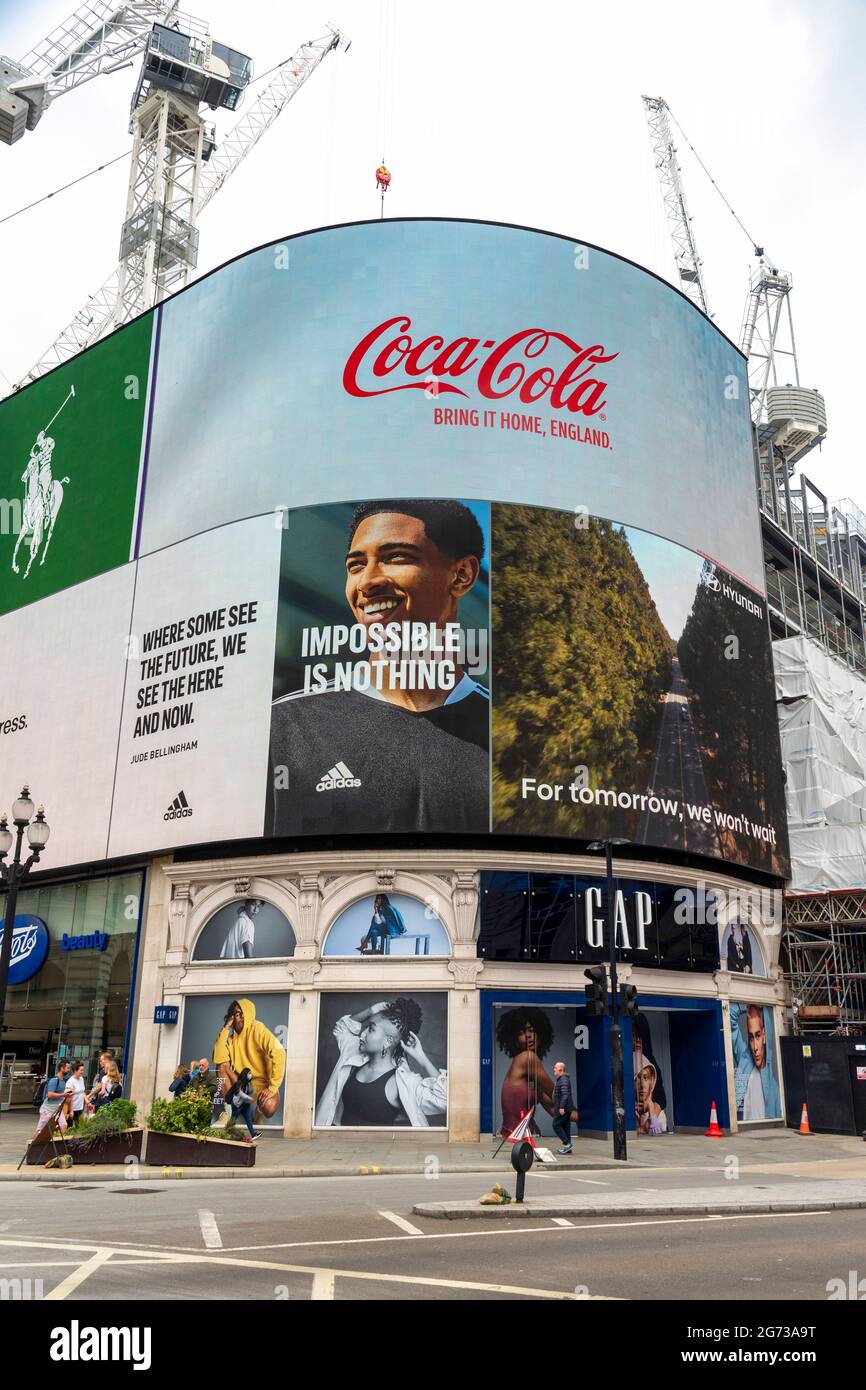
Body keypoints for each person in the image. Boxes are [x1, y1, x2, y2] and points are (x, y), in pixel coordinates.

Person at [267, 499, 490, 837]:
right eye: (355, 565)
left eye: (396, 557)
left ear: (461, 575)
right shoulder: (283, 727)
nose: (367, 582)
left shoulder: (512, 736)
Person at [315, 998, 447, 1127]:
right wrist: (371, 1010)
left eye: (371, 1029)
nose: (362, 1033)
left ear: (388, 1041)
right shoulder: (353, 1053)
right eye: (366, 1027)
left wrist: (422, 1058)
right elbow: (342, 1028)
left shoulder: (404, 1081)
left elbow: (445, 1098)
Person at [212, 1000, 285, 1122]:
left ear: (248, 1014)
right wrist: (225, 1029)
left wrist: (272, 1088)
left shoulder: (258, 1029)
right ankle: (228, 1110)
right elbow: (218, 1059)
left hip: (262, 1083)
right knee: (221, 1066)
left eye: (241, 1013)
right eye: (235, 1014)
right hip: (241, 1083)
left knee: (269, 1106)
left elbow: (279, 1052)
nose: (238, 1017)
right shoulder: (229, 1039)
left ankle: (258, 1113)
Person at [494, 1009, 556, 1137]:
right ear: (514, 1039)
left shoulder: (532, 1073)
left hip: (528, 1134)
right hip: (516, 1136)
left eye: (532, 1030)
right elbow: (557, 1094)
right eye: (522, 1033)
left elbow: (552, 1108)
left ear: (540, 1033)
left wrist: (577, 1117)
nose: (528, 1036)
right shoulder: (526, 1058)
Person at [732, 1002, 781, 1121]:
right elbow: (728, 1017)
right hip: (744, 1134)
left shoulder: (774, 1087)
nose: (755, 1047)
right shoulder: (744, 1060)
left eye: (758, 1036)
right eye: (751, 1037)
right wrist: (746, 1005)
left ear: (764, 1035)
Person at [632, 1013, 668, 1135]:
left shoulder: (651, 1063)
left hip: (652, 1121)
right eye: (633, 1036)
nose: (637, 1040)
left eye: (640, 1036)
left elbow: (661, 1098)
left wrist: (650, 1121)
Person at [33, 1059, 71, 1138]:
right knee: (40, 1130)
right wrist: (63, 1094)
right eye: (67, 1068)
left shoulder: (63, 1081)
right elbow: (50, 1095)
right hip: (47, 1110)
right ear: (62, 1068)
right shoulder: (54, 1080)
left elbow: (62, 1096)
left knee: (63, 1125)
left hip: (56, 1110)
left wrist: (67, 1095)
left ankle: (58, 1146)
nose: (69, 1070)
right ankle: (30, 1145)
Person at [225, 1067, 259, 1141]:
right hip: (237, 1105)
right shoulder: (240, 1083)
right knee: (233, 1119)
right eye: (249, 1073)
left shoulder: (248, 1083)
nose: (250, 1075)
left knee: (248, 1119)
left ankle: (253, 1134)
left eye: (250, 1073)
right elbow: (240, 1094)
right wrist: (249, 1098)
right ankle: (226, 1133)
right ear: (245, 1074)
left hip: (245, 1105)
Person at [551, 1061, 575, 1154]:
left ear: (560, 1069)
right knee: (565, 1127)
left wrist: (561, 1107)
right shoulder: (562, 1079)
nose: (554, 1069)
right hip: (567, 1108)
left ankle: (567, 1144)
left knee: (556, 1124)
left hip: (564, 1108)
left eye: (555, 1067)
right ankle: (568, 1149)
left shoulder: (563, 1080)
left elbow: (565, 1094)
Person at [64, 1060, 92, 1127]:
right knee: (69, 1127)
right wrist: (71, 1111)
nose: (83, 1072)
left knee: (79, 1127)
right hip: (72, 1109)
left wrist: (87, 1102)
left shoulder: (81, 1079)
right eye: (81, 1070)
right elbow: (69, 1097)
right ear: (75, 1071)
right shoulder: (70, 1082)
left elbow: (82, 1092)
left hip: (80, 1108)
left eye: (83, 1070)